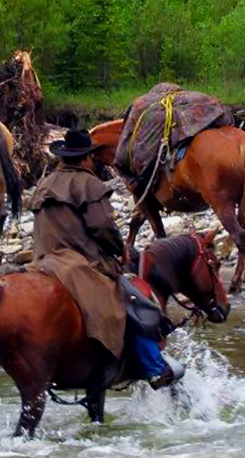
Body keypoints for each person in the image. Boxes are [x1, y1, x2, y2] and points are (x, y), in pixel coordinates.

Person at [31, 126, 182, 390]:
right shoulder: (89, 184)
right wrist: (120, 248)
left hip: (41, 259)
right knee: (134, 303)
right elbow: (102, 227)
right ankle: (154, 368)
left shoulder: (45, 184)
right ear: (87, 158)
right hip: (77, 263)